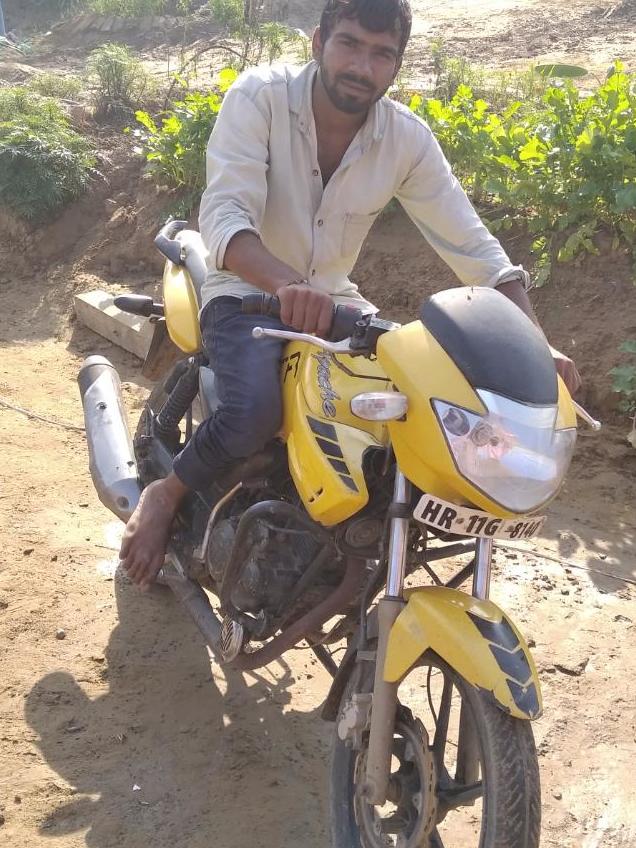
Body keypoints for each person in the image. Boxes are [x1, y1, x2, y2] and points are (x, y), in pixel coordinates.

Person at [120, 0, 581, 589]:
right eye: (350, 44)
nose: (362, 66)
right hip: (245, 288)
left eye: (381, 54)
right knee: (254, 411)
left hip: (337, 301)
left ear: (397, 66)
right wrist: (286, 283)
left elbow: (476, 247)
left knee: (410, 414)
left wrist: (538, 343)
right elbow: (225, 216)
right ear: (318, 42)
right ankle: (167, 491)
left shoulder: (406, 139)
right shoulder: (259, 97)